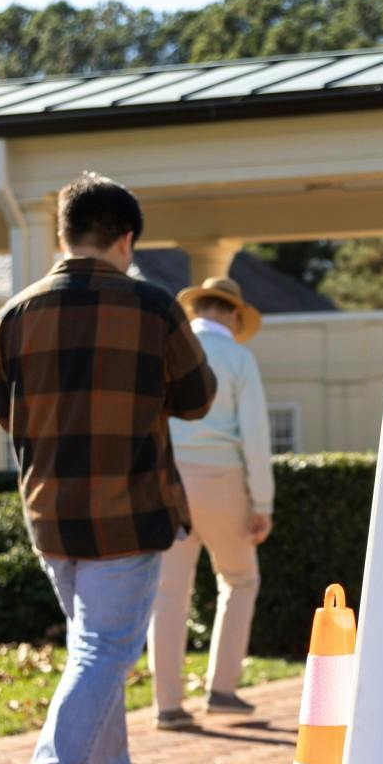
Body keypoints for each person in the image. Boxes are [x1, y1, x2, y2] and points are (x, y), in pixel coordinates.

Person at [0, 173, 215, 764]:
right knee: (103, 647)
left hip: (50, 512)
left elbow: (7, 414)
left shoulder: (15, 314)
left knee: (95, 648)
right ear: (126, 239)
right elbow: (197, 395)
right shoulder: (152, 307)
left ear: (62, 235)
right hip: (129, 507)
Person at [147, 275, 275, 730]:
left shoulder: (165, 353)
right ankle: (221, 689)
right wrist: (263, 501)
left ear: (195, 309)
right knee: (240, 580)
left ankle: (167, 704)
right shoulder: (239, 358)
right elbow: (255, 436)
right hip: (222, 480)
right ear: (235, 315)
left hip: (168, 478)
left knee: (168, 593)